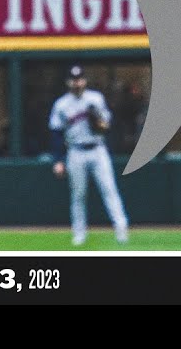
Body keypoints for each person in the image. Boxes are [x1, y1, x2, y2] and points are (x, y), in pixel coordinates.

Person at [48, 65, 129, 246]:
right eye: (73, 79)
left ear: (84, 80)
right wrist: (58, 160)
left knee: (109, 189)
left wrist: (99, 121)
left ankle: (121, 229)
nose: (77, 82)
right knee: (78, 195)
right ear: (68, 82)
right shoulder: (61, 104)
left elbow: (107, 125)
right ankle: (79, 234)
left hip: (98, 149)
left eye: (80, 79)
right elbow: (55, 133)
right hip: (75, 151)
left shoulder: (96, 99)